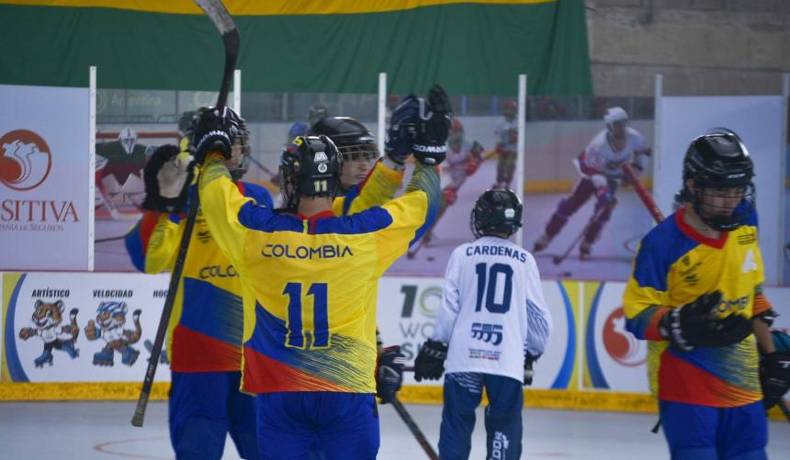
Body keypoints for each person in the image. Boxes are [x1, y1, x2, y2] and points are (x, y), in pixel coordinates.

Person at [193, 87, 450, 459]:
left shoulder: (256, 235)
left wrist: (213, 154)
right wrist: (428, 158)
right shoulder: (365, 235)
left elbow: (216, 194)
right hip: (347, 393)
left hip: (279, 392)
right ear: (335, 180)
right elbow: (422, 204)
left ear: (290, 180)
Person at [124, 108, 272, 460]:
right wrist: (165, 204)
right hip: (198, 349)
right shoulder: (183, 198)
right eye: (228, 143)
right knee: (198, 450)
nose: (236, 151)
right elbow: (150, 260)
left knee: (267, 449)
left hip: (254, 352)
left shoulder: (257, 197)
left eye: (237, 143)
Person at [622, 129, 778, 460]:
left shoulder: (746, 222)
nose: (731, 200)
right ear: (693, 185)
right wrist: (679, 324)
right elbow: (637, 316)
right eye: (720, 191)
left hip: (744, 383)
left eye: (738, 189)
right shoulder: (661, 244)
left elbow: (754, 295)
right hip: (686, 386)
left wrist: (773, 356)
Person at [414, 188, 552, 460]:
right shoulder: (525, 261)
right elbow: (539, 319)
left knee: (457, 424)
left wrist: (436, 345)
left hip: (464, 358)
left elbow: (449, 308)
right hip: (506, 360)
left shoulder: (463, 255)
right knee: (504, 424)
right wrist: (531, 354)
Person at [533, 107, 652, 259]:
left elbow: (645, 152)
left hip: (612, 178)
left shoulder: (635, 138)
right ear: (609, 126)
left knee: (604, 210)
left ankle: (587, 243)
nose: (621, 128)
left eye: (623, 123)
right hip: (590, 174)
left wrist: (637, 169)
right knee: (570, 204)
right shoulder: (598, 145)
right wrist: (603, 191)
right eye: (616, 124)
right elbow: (591, 170)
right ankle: (547, 236)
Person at [420, 118, 484, 245]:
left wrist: (474, 164)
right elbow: (435, 167)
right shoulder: (440, 148)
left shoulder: (470, 144)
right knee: (440, 205)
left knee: (442, 206)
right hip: (443, 179)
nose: (456, 134)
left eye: (458, 131)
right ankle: (426, 230)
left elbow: (480, 156)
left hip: (458, 180)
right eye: (453, 132)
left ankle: (427, 230)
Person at [493, 100, 517, 189]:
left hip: (513, 149)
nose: (510, 111)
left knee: (510, 165)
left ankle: (508, 184)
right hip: (502, 149)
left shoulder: (518, 121)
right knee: (500, 166)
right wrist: (498, 144)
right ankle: (499, 183)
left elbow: (518, 137)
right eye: (508, 109)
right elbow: (497, 134)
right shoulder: (500, 122)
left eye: (512, 109)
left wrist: (516, 137)